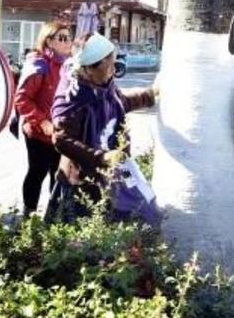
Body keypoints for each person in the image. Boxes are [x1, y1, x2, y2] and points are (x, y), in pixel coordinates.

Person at [46, 33, 157, 223]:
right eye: (109, 66)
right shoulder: (73, 97)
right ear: (89, 69)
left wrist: (149, 95)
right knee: (81, 237)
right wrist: (101, 157)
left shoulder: (104, 85)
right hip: (82, 179)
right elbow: (62, 139)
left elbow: (119, 103)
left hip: (110, 173)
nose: (113, 71)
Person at [14, 22, 72, 215]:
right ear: (49, 41)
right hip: (39, 134)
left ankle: (53, 217)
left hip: (60, 134)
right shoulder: (39, 65)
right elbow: (22, 99)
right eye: (62, 38)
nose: (67, 42)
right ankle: (28, 215)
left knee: (59, 176)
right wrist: (42, 122)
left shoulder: (68, 65)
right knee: (36, 174)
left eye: (69, 37)